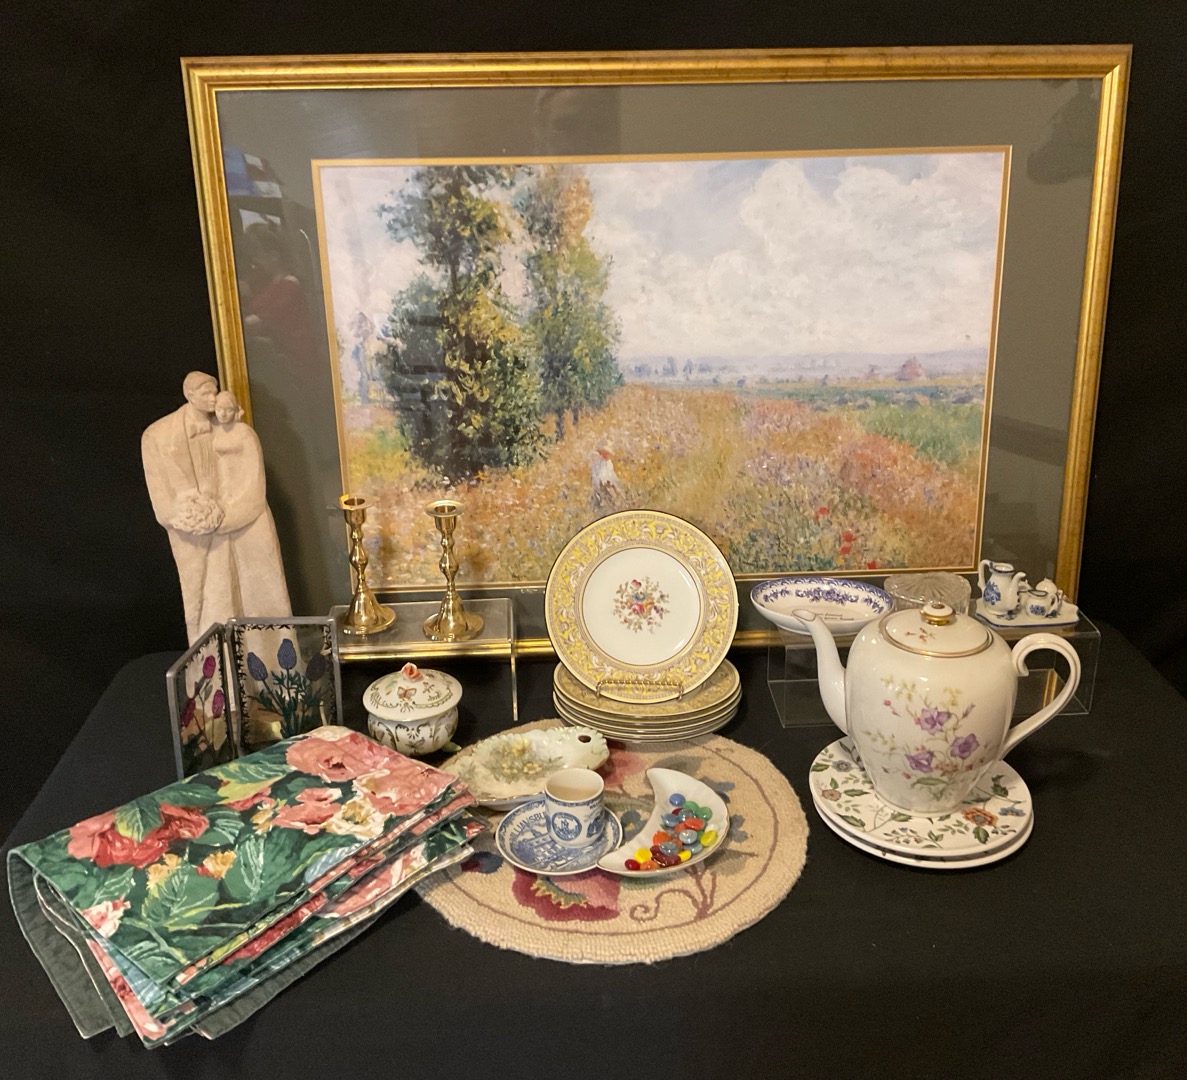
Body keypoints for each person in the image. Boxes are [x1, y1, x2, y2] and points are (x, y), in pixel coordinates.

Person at [142, 372, 227, 643]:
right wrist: (185, 517)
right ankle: (206, 654)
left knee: (228, 591)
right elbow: (159, 493)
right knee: (196, 595)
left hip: (230, 521)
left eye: (215, 392)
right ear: (189, 395)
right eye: (206, 393)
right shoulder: (158, 434)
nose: (213, 398)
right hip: (189, 527)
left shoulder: (227, 426)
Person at [210, 390, 291, 620]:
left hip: (247, 507)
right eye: (219, 409)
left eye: (228, 409)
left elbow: (255, 475)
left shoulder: (246, 435)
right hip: (224, 505)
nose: (223, 414)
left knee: (261, 570)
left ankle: (272, 635)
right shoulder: (212, 433)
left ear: (236, 410)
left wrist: (241, 508)